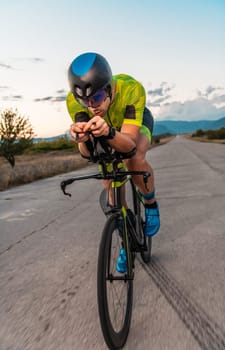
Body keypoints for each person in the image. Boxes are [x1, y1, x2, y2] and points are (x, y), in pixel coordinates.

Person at [67, 52, 160, 271]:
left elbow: (129, 145)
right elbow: (88, 154)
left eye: (97, 98)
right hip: (105, 129)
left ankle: (150, 203)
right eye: (85, 101)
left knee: (134, 160)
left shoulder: (131, 89)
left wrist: (108, 132)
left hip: (132, 124)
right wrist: (81, 138)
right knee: (111, 185)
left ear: (109, 88)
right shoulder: (75, 102)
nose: (92, 107)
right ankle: (126, 243)